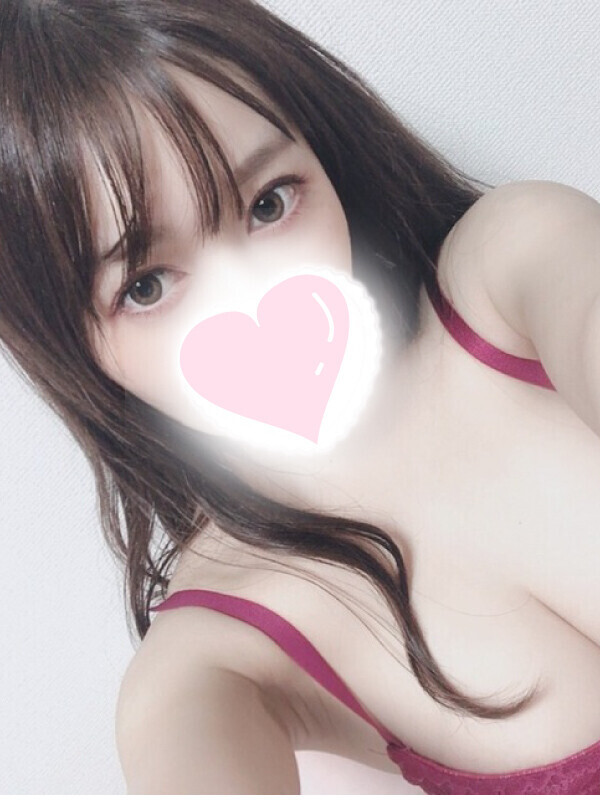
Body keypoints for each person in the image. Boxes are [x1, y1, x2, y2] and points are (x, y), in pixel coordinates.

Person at [1, 0, 599, 794]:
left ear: (323, 152)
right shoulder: (211, 657)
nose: (253, 296)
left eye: (269, 203)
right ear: (72, 349)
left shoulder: (515, 262)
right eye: (145, 285)